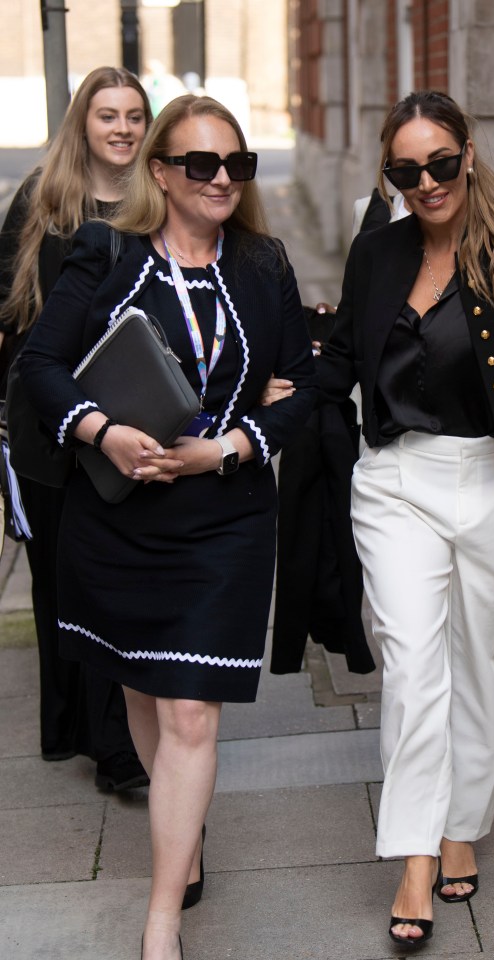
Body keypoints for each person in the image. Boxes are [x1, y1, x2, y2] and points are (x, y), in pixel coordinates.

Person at [18, 93, 317, 960]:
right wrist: (103, 431)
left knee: (191, 710)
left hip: (223, 522)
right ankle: (178, 839)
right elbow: (41, 365)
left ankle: (159, 917)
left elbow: (303, 390)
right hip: (117, 523)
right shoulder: (104, 257)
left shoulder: (263, 265)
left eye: (237, 164)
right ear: (160, 172)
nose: (222, 178)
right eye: (201, 164)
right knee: (146, 691)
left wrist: (226, 448)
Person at [300, 90, 494, 948]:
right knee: (415, 664)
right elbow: (346, 353)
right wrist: (283, 393)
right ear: (389, 175)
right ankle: (417, 857)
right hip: (398, 482)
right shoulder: (377, 252)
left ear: (467, 153)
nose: (426, 182)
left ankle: (464, 820)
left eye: (439, 163)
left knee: (487, 668)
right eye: (405, 170)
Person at [0, 66, 153, 789]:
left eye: (133, 115)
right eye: (106, 116)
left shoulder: (160, 201)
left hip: (128, 424)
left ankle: (117, 746)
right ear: (82, 125)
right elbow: (7, 316)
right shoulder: (41, 200)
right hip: (43, 430)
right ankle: (68, 728)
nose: (121, 128)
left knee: (111, 585)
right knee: (55, 584)